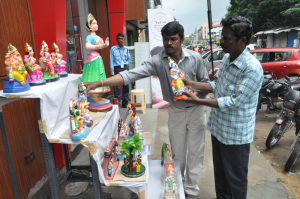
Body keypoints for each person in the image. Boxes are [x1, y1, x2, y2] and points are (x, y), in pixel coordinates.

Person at [83, 21, 208, 198]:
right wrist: (101, 83)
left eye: (173, 39)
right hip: (176, 111)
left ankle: (191, 190)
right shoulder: (158, 61)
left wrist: (192, 90)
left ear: (181, 39)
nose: (169, 43)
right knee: (178, 153)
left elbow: (207, 84)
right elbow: (129, 74)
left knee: (196, 152)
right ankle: (178, 188)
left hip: (196, 109)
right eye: (166, 39)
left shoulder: (195, 58)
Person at [181, 16, 263, 199]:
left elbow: (234, 102)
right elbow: (217, 84)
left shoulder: (251, 68)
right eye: (222, 37)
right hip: (219, 129)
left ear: (242, 41)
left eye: (226, 38)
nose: (221, 42)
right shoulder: (226, 58)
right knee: (221, 179)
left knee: (236, 181)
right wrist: (191, 83)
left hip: (235, 136)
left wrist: (198, 101)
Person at [110, 33, 131, 108]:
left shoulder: (126, 49)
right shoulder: (113, 49)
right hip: (118, 68)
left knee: (126, 86)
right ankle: (117, 103)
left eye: (122, 38)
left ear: (124, 39)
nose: (120, 40)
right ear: (116, 39)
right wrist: (112, 72)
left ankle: (125, 103)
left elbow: (129, 59)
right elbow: (111, 61)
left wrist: (126, 65)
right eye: (119, 38)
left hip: (125, 68)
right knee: (118, 87)